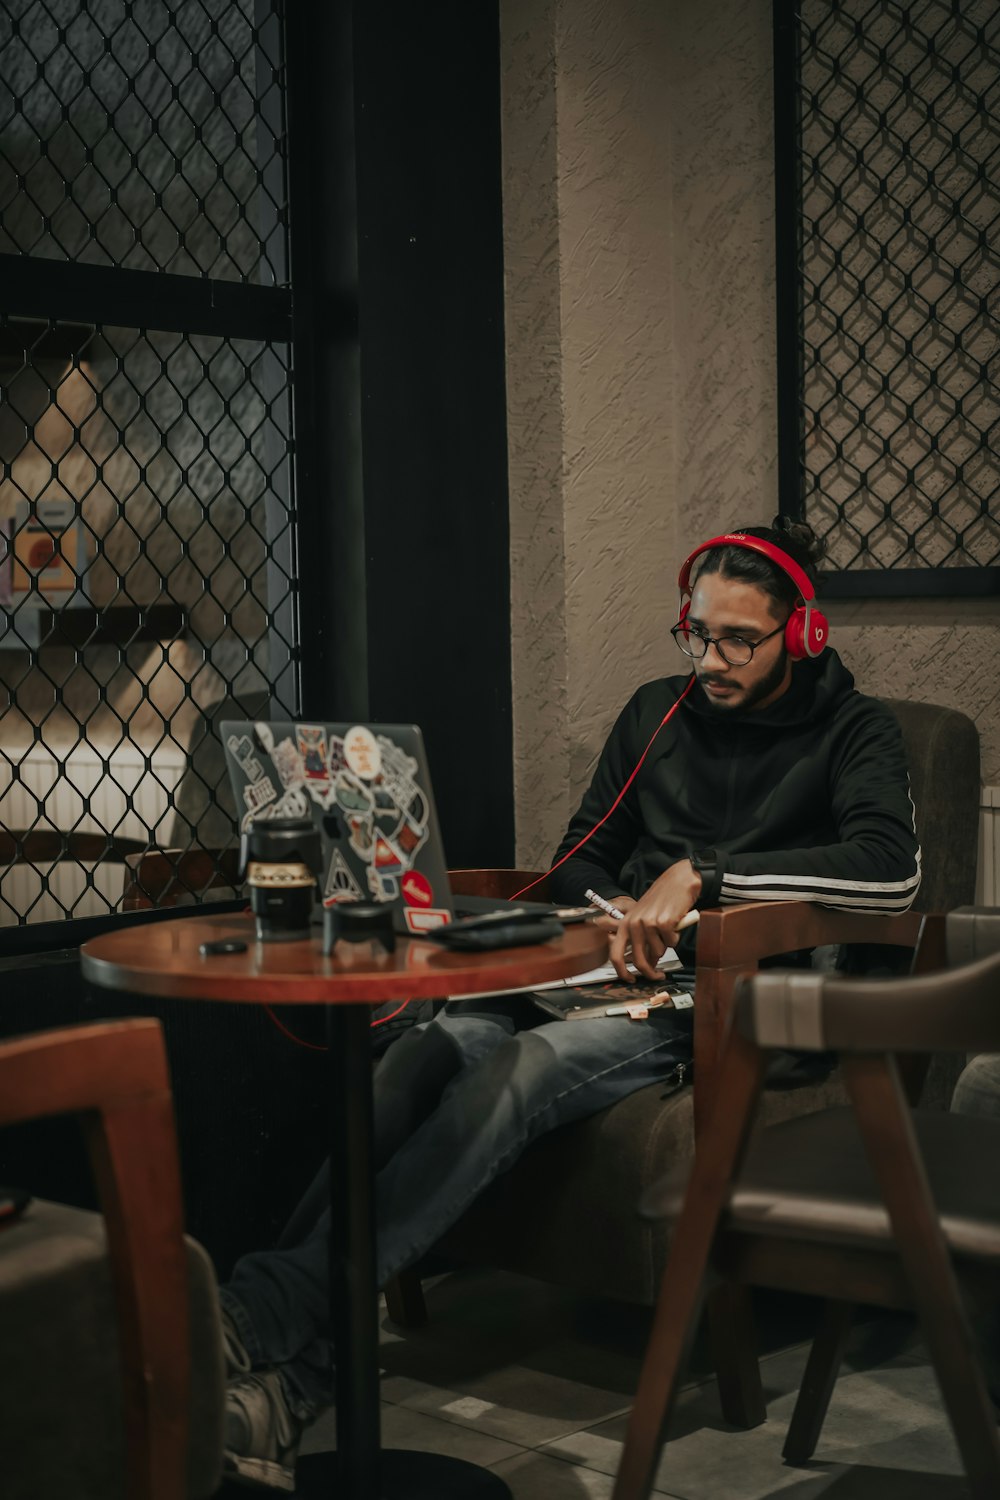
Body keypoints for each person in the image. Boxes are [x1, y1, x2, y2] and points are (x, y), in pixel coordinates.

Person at [219, 515, 922, 1488]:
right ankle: (283, 1356)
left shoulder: (857, 730)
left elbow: (889, 874)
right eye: (696, 632)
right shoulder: (656, 712)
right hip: (597, 972)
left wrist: (702, 879)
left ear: (800, 634)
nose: (708, 658)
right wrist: (603, 908)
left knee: (525, 1067)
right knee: (424, 1053)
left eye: (736, 640)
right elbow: (583, 851)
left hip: (717, 1002)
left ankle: (255, 1325)